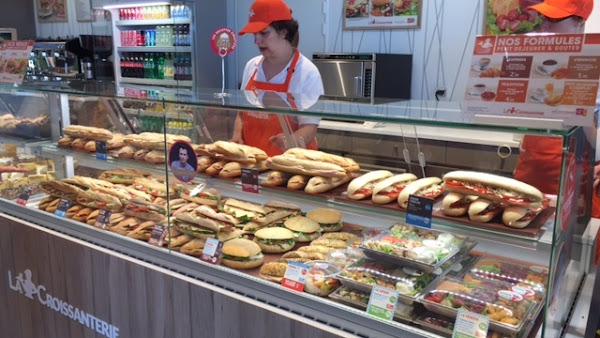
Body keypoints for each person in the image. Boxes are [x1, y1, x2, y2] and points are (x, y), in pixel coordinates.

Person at [231, 0, 324, 157]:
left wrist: (291, 141)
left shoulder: (307, 72)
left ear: (283, 32)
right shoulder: (251, 66)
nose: (256, 40)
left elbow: (310, 127)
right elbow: (242, 113)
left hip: (289, 164)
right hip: (253, 162)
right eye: (254, 34)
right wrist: (236, 136)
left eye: (263, 33)